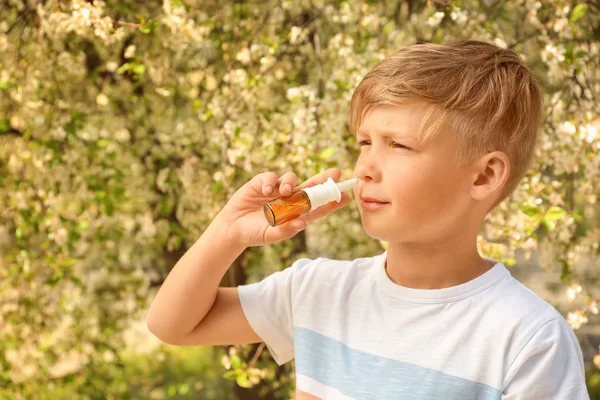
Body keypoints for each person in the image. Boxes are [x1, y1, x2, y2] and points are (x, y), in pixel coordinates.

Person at [146, 40, 589, 399]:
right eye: (363, 143)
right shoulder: (318, 291)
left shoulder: (530, 339)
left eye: (398, 146)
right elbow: (172, 325)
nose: (365, 169)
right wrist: (229, 232)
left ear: (485, 175)